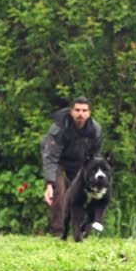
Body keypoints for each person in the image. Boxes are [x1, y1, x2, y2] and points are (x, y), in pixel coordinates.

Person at [40, 96, 103, 235]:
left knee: (83, 193)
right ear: (71, 111)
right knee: (59, 192)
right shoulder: (59, 127)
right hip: (59, 161)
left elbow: (95, 156)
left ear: (89, 112)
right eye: (77, 110)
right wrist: (49, 184)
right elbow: (50, 157)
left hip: (80, 162)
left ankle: (83, 229)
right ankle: (58, 232)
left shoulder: (95, 130)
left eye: (84, 110)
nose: (81, 114)